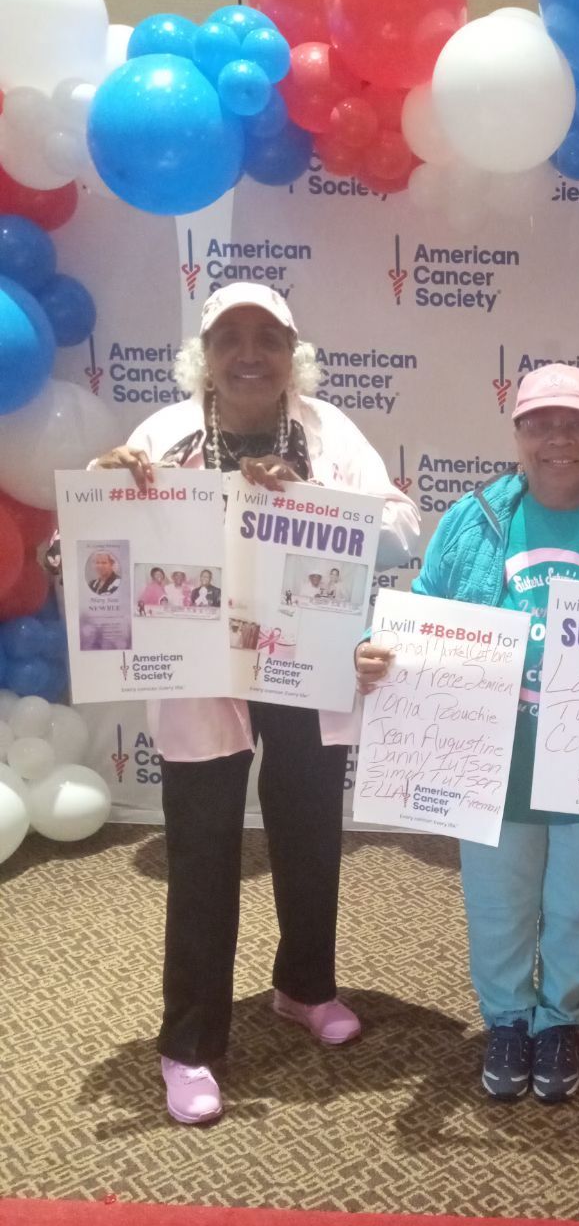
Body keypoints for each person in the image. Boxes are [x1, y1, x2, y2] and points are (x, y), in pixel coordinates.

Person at [93, 281, 419, 1126]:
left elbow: (399, 530)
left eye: (267, 338)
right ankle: (189, 1044)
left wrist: (307, 507)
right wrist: (102, 497)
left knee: (309, 828)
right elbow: (91, 555)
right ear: (202, 355)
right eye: (229, 337)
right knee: (202, 849)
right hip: (198, 667)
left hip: (304, 660)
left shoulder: (326, 430)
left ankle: (305, 987)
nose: (249, 354)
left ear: (293, 353)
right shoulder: (161, 436)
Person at [356, 363, 579, 1104]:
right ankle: (509, 1019)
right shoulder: (474, 519)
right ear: (517, 432)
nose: (559, 438)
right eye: (540, 422)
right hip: (491, 756)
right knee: (497, 898)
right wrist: (382, 651)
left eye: (577, 422)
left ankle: (561, 1019)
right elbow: (425, 609)